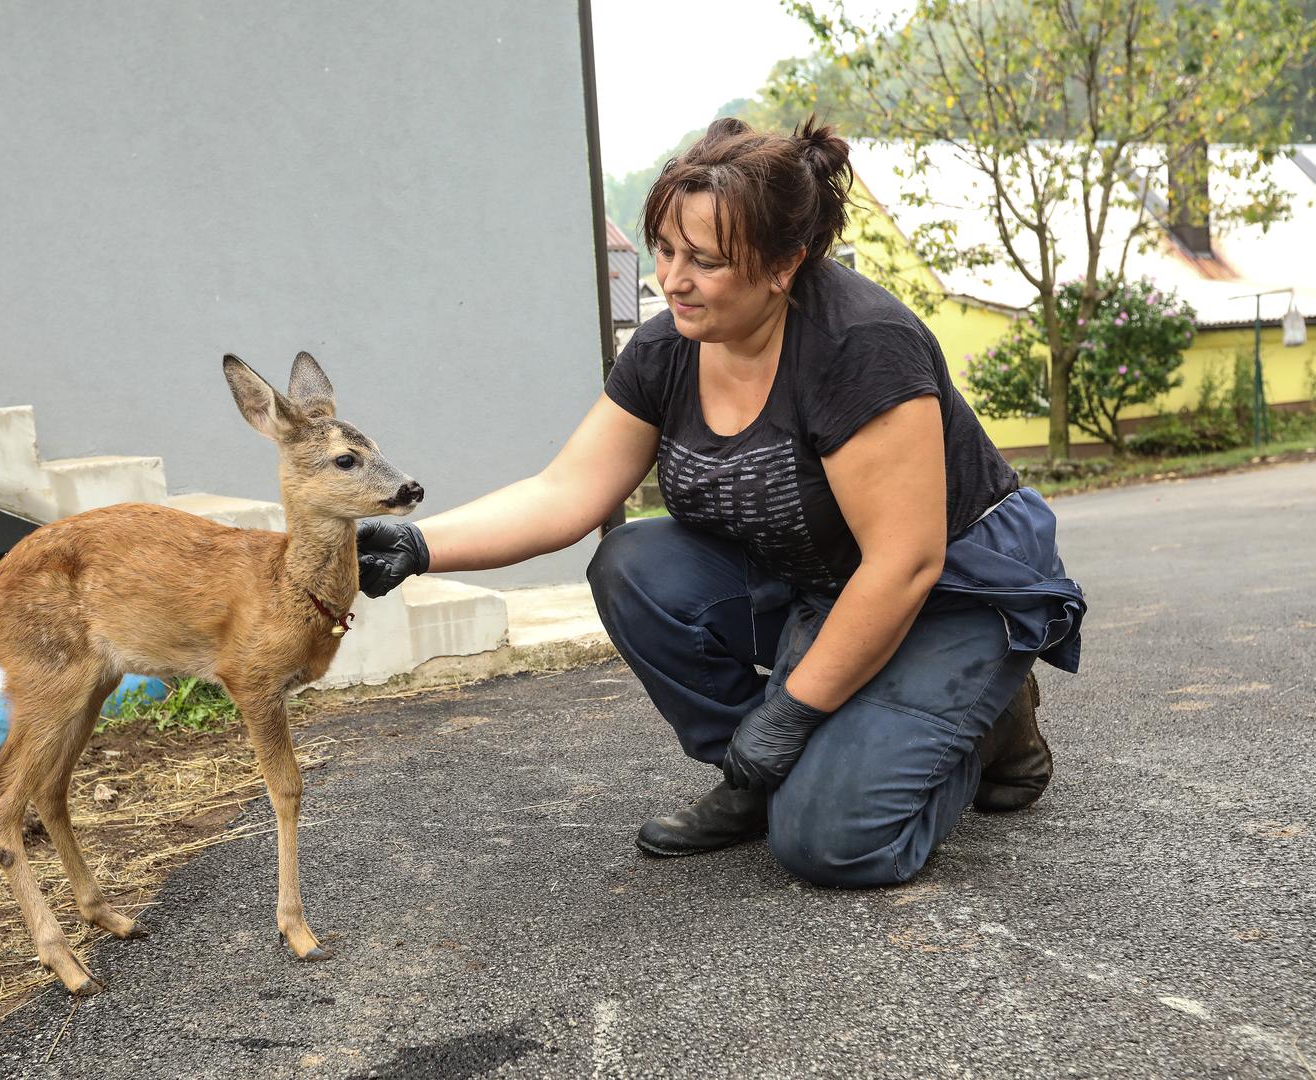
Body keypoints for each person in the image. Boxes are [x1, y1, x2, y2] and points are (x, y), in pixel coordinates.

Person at [354, 117, 1085, 888]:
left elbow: (904, 562)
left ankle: (988, 719)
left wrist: (792, 712)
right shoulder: (670, 347)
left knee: (833, 844)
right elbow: (566, 491)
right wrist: (419, 545)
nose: (671, 281)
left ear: (782, 265)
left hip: (949, 586)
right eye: (666, 250)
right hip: (824, 580)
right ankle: (758, 777)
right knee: (634, 562)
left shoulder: (859, 347)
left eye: (704, 261)